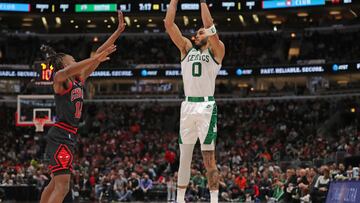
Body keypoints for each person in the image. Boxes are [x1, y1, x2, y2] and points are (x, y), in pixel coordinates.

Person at [39, 11, 126, 203]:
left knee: (54, 183)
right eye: (73, 59)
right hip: (61, 134)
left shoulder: (78, 79)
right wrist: (96, 59)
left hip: (67, 135)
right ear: (63, 63)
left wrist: (118, 31)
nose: (76, 62)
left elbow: (98, 52)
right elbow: (82, 63)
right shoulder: (60, 77)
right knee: (62, 187)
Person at [164, 0, 225, 202]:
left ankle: (214, 199)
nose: (196, 35)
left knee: (209, 159)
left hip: (206, 106)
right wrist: (174, 1)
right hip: (188, 105)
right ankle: (179, 199)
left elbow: (208, 25)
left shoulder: (217, 50)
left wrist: (202, 2)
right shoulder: (186, 49)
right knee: (185, 158)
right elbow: (169, 24)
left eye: (199, 33)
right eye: (196, 33)